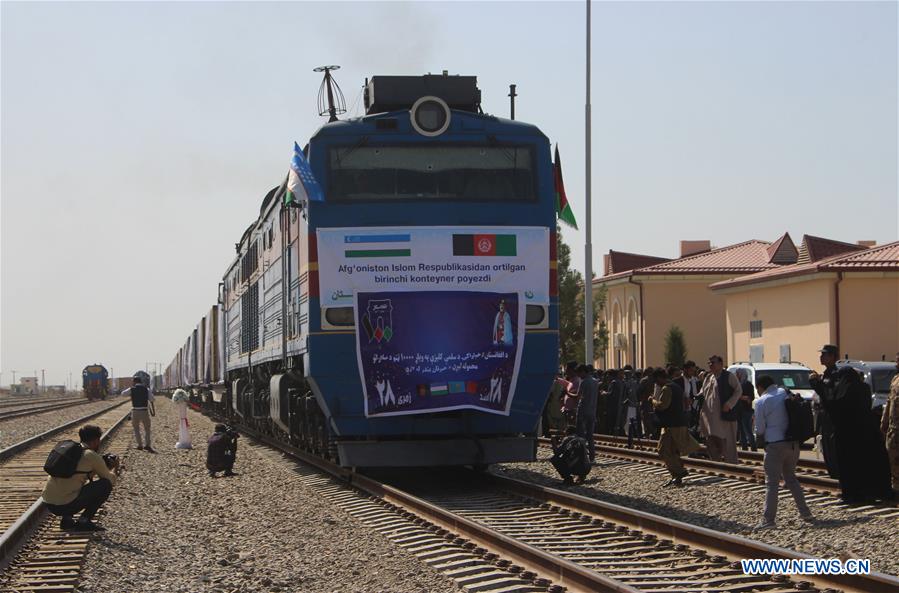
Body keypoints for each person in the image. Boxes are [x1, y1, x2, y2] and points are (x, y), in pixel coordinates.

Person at [812, 346, 894, 503]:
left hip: (848, 433)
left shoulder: (845, 392)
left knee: (850, 465)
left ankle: (854, 495)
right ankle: (864, 493)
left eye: (825, 354)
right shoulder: (860, 388)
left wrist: (818, 386)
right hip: (858, 433)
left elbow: (833, 403)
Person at [753, 375, 813, 529]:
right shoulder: (785, 393)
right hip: (793, 443)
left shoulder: (761, 401)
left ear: (760, 387)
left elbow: (760, 429)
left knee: (772, 483)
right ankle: (805, 513)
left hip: (774, 445)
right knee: (791, 478)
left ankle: (768, 520)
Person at [42, 424, 119, 531]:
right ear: (96, 440)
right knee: (105, 485)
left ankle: (67, 520)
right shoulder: (90, 455)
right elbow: (110, 480)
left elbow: (79, 474)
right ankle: (84, 521)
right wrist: (114, 468)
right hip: (65, 505)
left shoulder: (71, 451)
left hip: (48, 503)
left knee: (73, 483)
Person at [651, 367, 700, 487]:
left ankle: (679, 471)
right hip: (679, 423)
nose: (656, 383)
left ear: (660, 378)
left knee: (663, 450)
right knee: (673, 451)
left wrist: (652, 401)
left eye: (656, 380)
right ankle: (676, 477)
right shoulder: (676, 387)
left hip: (670, 425)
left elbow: (662, 405)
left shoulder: (667, 388)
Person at [698, 355, 742, 463]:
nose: (710, 365)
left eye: (713, 362)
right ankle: (716, 464)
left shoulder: (729, 376)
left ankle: (730, 465)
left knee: (726, 443)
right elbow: (702, 392)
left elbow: (738, 391)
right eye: (709, 363)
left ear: (721, 364)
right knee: (710, 442)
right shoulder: (708, 377)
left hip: (723, 417)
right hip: (708, 418)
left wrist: (729, 404)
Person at [881, 351, 899, 492]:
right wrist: (884, 420)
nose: (896, 364)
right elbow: (889, 400)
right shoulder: (895, 379)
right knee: (893, 460)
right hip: (894, 428)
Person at [124, 375, 155, 452]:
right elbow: (152, 399)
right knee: (147, 429)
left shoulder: (132, 389)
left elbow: (123, 394)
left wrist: (131, 389)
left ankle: (140, 445)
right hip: (144, 411)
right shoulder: (146, 389)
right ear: (141, 381)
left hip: (135, 411)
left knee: (136, 428)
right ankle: (147, 445)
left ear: (134, 382)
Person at [575, 364, 599, 462]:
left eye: (579, 373)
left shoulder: (584, 382)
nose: (579, 376)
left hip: (583, 410)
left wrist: (568, 393)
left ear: (583, 371)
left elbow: (578, 396)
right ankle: (592, 458)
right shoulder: (595, 382)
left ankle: (582, 457)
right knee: (590, 435)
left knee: (580, 435)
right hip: (592, 411)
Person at [734, 369, 757, 451]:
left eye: (738, 374)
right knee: (741, 430)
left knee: (747, 429)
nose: (736, 375)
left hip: (746, 410)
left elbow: (751, 397)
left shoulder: (748, 384)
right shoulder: (737, 384)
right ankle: (744, 448)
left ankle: (753, 448)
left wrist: (740, 397)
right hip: (738, 410)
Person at [561, 361, 580, 426]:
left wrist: (567, 393)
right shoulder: (572, 381)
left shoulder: (577, 381)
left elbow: (577, 395)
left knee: (572, 428)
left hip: (572, 410)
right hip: (568, 410)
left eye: (566, 369)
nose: (565, 371)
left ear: (571, 370)